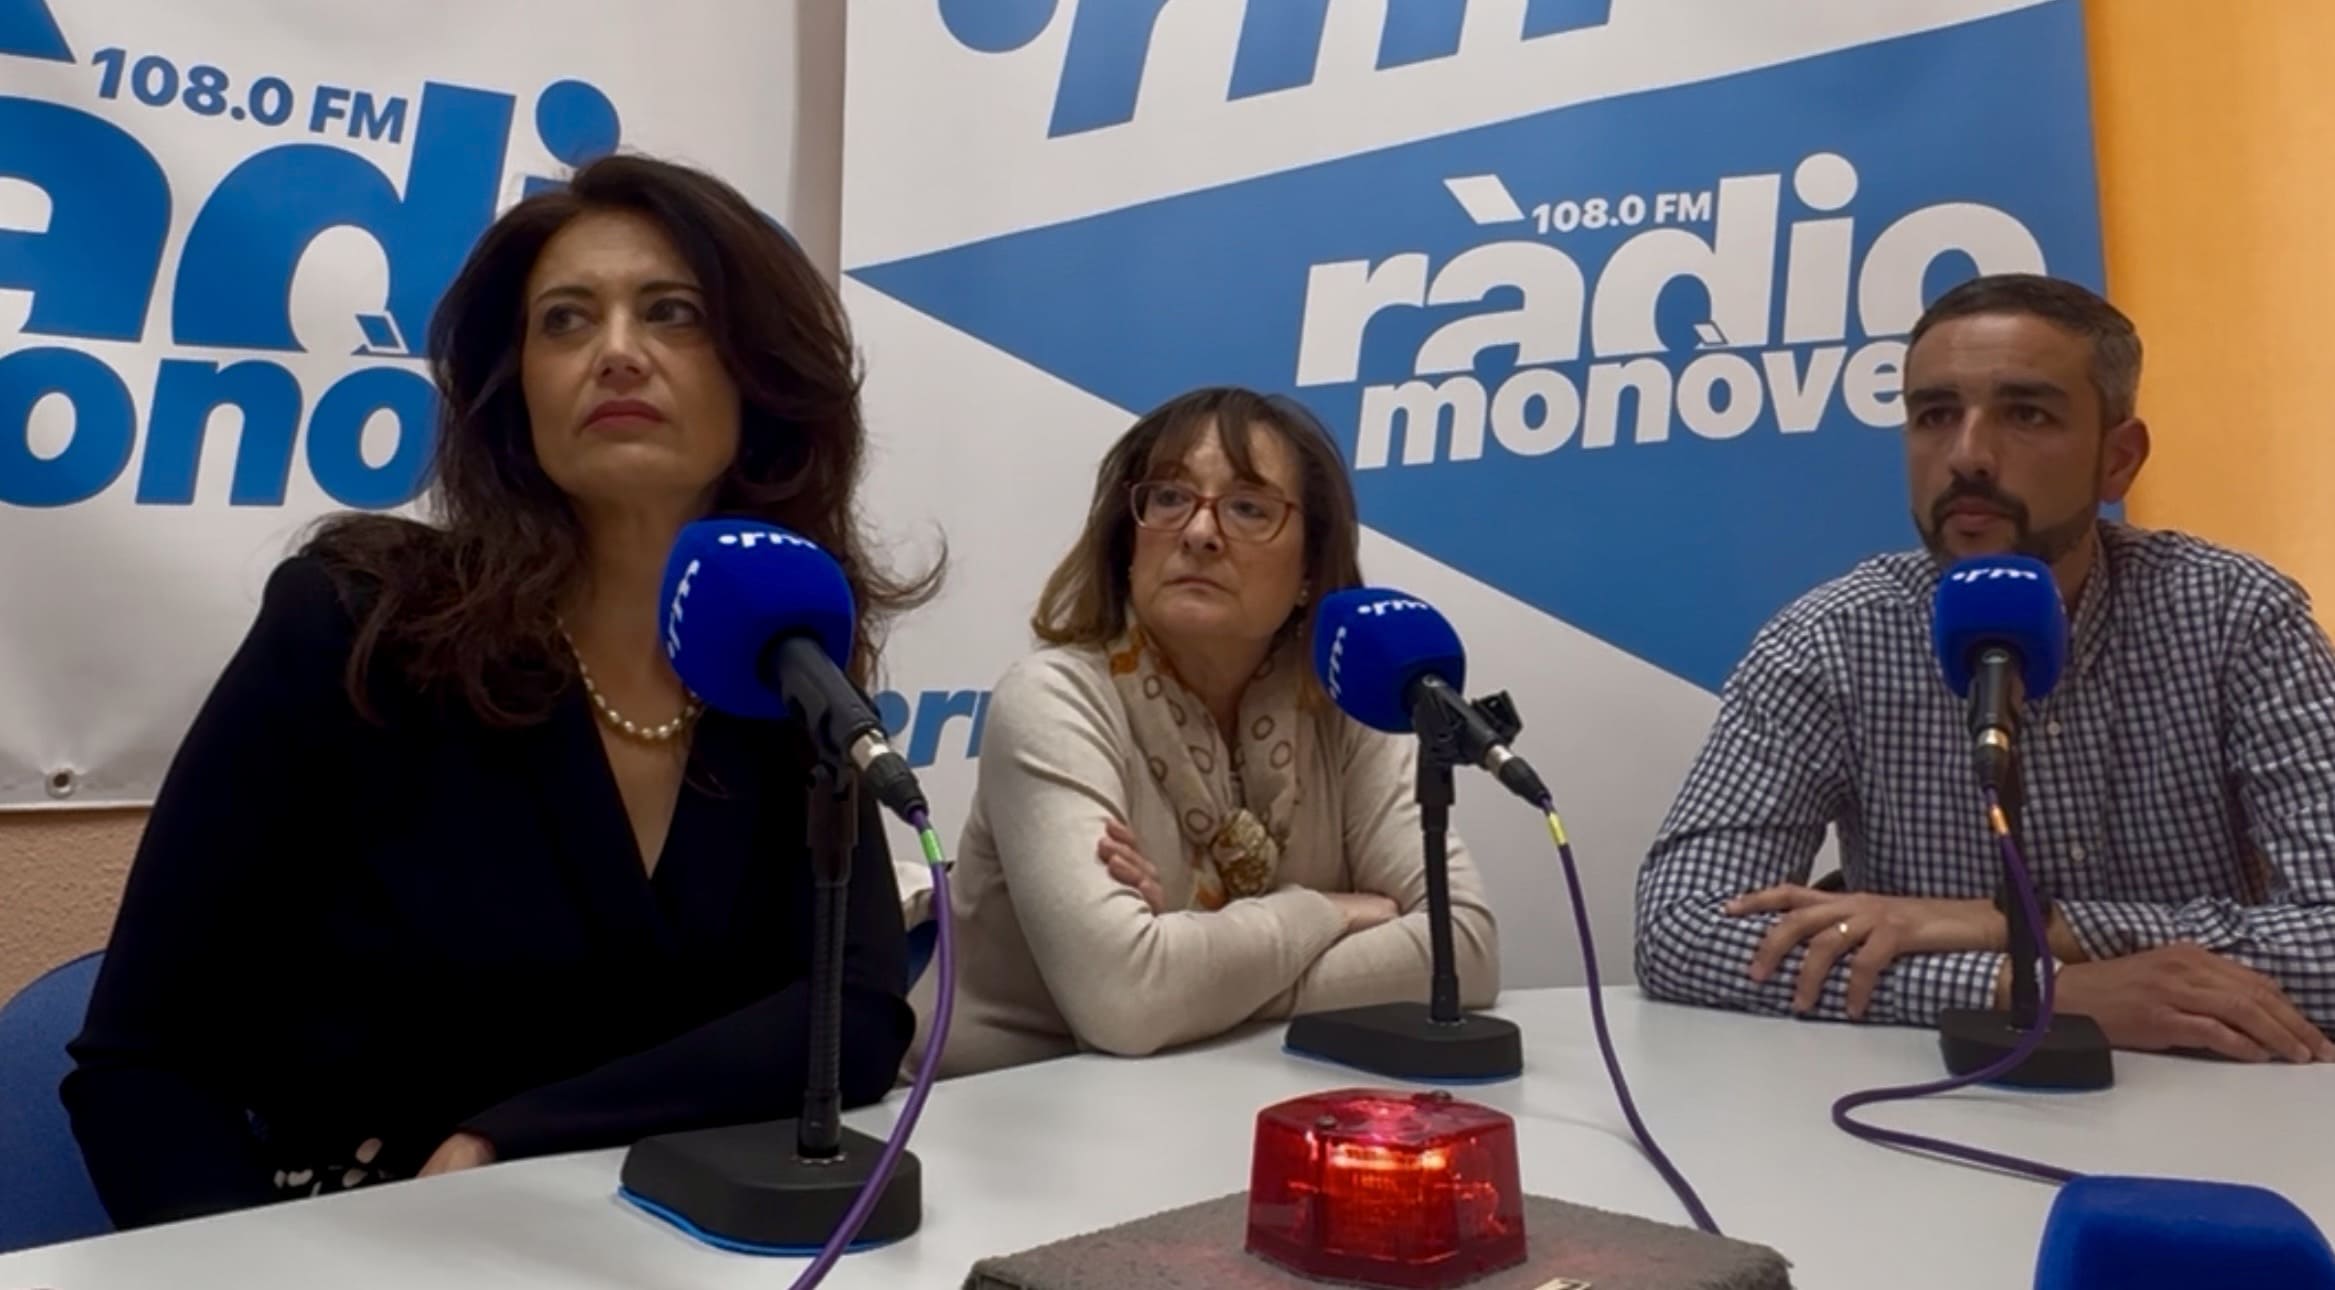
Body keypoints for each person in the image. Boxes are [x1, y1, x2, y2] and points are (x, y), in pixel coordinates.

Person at [63, 154, 939, 1229]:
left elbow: (849, 1021)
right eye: (566, 322)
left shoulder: (773, 650)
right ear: (514, 390)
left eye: (671, 313)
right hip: (356, 1240)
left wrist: (507, 1133)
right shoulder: (357, 626)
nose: (617, 353)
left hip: (653, 1236)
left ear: (759, 378)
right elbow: (140, 1066)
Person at [1635, 272, 2335, 1064]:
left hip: (2230, 1111)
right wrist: (2026, 988)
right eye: (1934, 415)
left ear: (2118, 459)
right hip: (1953, 1112)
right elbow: (1678, 929)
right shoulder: (1833, 637)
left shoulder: (2235, 617)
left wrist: (2017, 923)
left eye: (2025, 414)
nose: (1967, 456)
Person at [905, 387, 1500, 1077]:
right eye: (1168, 499)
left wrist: (1189, 969)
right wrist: (1321, 915)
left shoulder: (1347, 708)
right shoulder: (1055, 699)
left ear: (1310, 570)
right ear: (1127, 540)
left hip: (1222, 1095)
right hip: (1000, 1112)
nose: (1197, 531)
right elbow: (1125, 1002)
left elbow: (1465, 950)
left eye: (1248, 507)